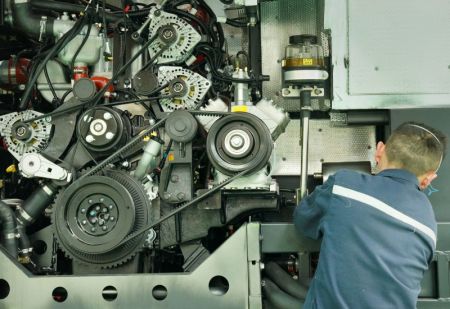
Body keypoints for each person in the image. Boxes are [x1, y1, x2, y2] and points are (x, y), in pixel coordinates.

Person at [294, 122, 447, 309]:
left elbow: (303, 220)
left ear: (380, 151)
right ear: (428, 179)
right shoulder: (428, 223)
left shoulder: (344, 185)